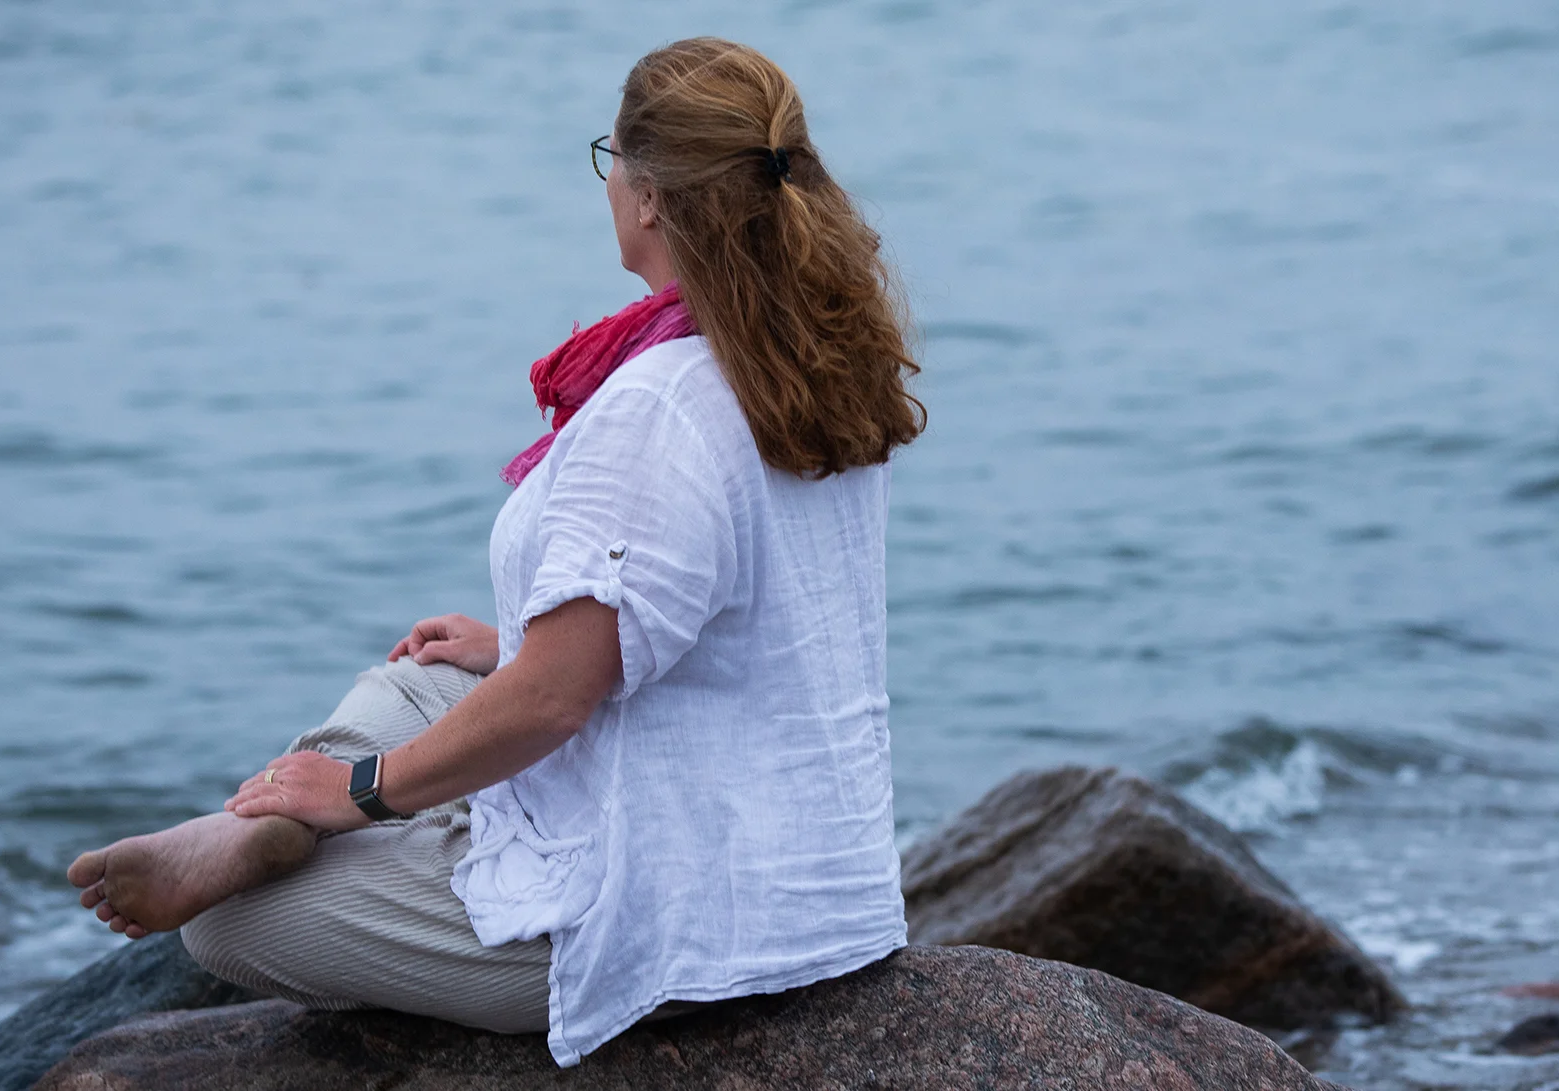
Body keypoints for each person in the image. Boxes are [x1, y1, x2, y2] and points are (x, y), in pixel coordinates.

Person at [63, 36, 924, 1067]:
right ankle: (286, 819)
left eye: (611, 157)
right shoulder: (813, 364)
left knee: (229, 925)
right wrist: (511, 640)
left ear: (648, 195)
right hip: (817, 878)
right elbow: (736, 618)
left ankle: (313, 819)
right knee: (417, 675)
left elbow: (557, 701)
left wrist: (363, 793)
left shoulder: (657, 403)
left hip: (682, 928)